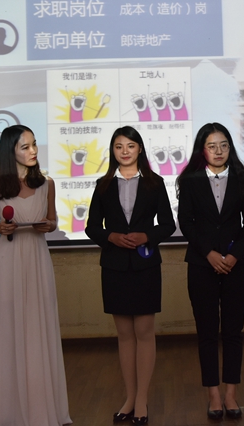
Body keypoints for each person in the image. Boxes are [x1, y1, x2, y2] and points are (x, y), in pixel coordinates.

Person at [0, 125, 71, 426]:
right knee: (8, 326)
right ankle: (7, 407)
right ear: (10, 151)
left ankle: (40, 406)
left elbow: (53, 220)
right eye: (25, 147)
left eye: (34, 144)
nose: (33, 151)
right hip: (8, 258)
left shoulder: (47, 183)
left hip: (37, 258)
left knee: (38, 323)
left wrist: (48, 225)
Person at [85, 126, 176, 425]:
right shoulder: (103, 185)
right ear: (113, 151)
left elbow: (168, 224)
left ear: (140, 149)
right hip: (114, 267)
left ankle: (141, 401)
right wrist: (110, 237)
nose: (125, 151)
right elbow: (91, 227)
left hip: (145, 265)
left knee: (144, 332)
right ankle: (129, 398)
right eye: (119, 146)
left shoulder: (155, 182)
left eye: (130, 146)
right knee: (124, 335)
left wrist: (146, 236)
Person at [176, 123, 244, 420]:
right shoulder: (190, 181)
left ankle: (231, 394)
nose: (219, 151)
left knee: (234, 332)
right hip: (202, 265)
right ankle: (213, 394)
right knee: (207, 333)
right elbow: (186, 222)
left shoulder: (242, 178)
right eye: (212, 146)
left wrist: (234, 255)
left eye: (224, 145)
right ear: (203, 150)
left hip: (237, 265)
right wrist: (209, 253)